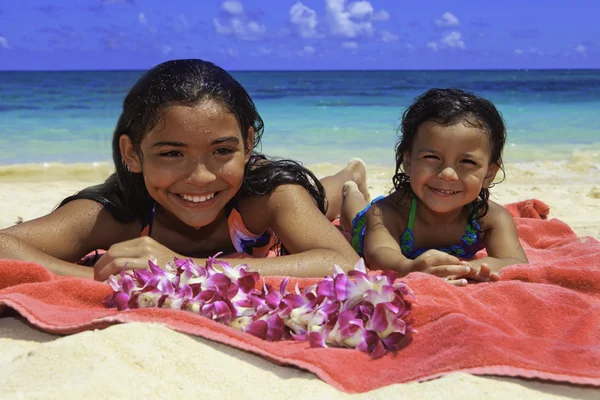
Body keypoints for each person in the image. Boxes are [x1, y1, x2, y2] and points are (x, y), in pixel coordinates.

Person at [0, 59, 367, 281]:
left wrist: (183, 267)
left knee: (325, 195)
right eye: (172, 154)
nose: (200, 176)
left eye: (222, 150)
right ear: (132, 154)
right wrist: (101, 277)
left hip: (255, 184)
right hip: (229, 185)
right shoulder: (120, 213)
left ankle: (350, 175)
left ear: (248, 144)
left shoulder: (268, 197)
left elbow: (343, 261)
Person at [341, 88, 528, 286]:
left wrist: (471, 268)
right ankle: (352, 186)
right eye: (431, 157)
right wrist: (409, 268)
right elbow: (378, 254)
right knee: (356, 211)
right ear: (409, 161)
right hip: (367, 226)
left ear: (489, 173)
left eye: (467, 162)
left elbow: (516, 262)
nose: (447, 174)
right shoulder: (388, 212)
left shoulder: (491, 218)